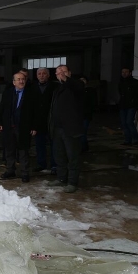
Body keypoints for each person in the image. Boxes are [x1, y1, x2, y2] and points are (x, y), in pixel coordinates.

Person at [47, 64, 84, 193]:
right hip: (58, 128)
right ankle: (61, 178)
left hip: (71, 129)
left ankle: (72, 182)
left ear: (69, 72)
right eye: (58, 72)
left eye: (63, 71)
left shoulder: (76, 85)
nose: (61, 74)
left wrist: (67, 80)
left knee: (72, 156)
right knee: (59, 155)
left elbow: (77, 86)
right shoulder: (58, 88)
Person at [0, 73, 38, 182]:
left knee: (23, 151)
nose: (21, 81)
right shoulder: (8, 93)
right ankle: (10, 170)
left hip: (24, 127)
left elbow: (35, 112)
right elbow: (2, 109)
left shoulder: (31, 94)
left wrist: (34, 126)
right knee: (9, 150)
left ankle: (25, 173)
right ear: (14, 82)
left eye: (23, 79)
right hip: (9, 126)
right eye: (18, 79)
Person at [32, 67, 57, 173]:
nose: (42, 75)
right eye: (39, 74)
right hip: (38, 121)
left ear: (48, 75)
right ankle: (41, 164)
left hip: (52, 120)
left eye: (44, 73)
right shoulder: (32, 87)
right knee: (39, 144)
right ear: (37, 76)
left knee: (54, 144)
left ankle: (54, 165)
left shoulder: (55, 86)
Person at [118, 67, 138, 146]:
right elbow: (120, 93)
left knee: (129, 122)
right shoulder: (121, 83)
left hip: (131, 106)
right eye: (123, 72)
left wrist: (135, 104)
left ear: (130, 73)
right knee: (124, 123)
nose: (124, 73)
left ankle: (135, 139)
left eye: (126, 72)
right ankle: (127, 140)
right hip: (123, 105)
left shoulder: (135, 83)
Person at [80, 76, 97, 152]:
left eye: (83, 80)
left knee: (83, 131)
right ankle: (82, 147)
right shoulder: (76, 90)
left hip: (86, 114)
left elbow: (93, 103)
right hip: (78, 115)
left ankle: (83, 147)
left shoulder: (90, 91)